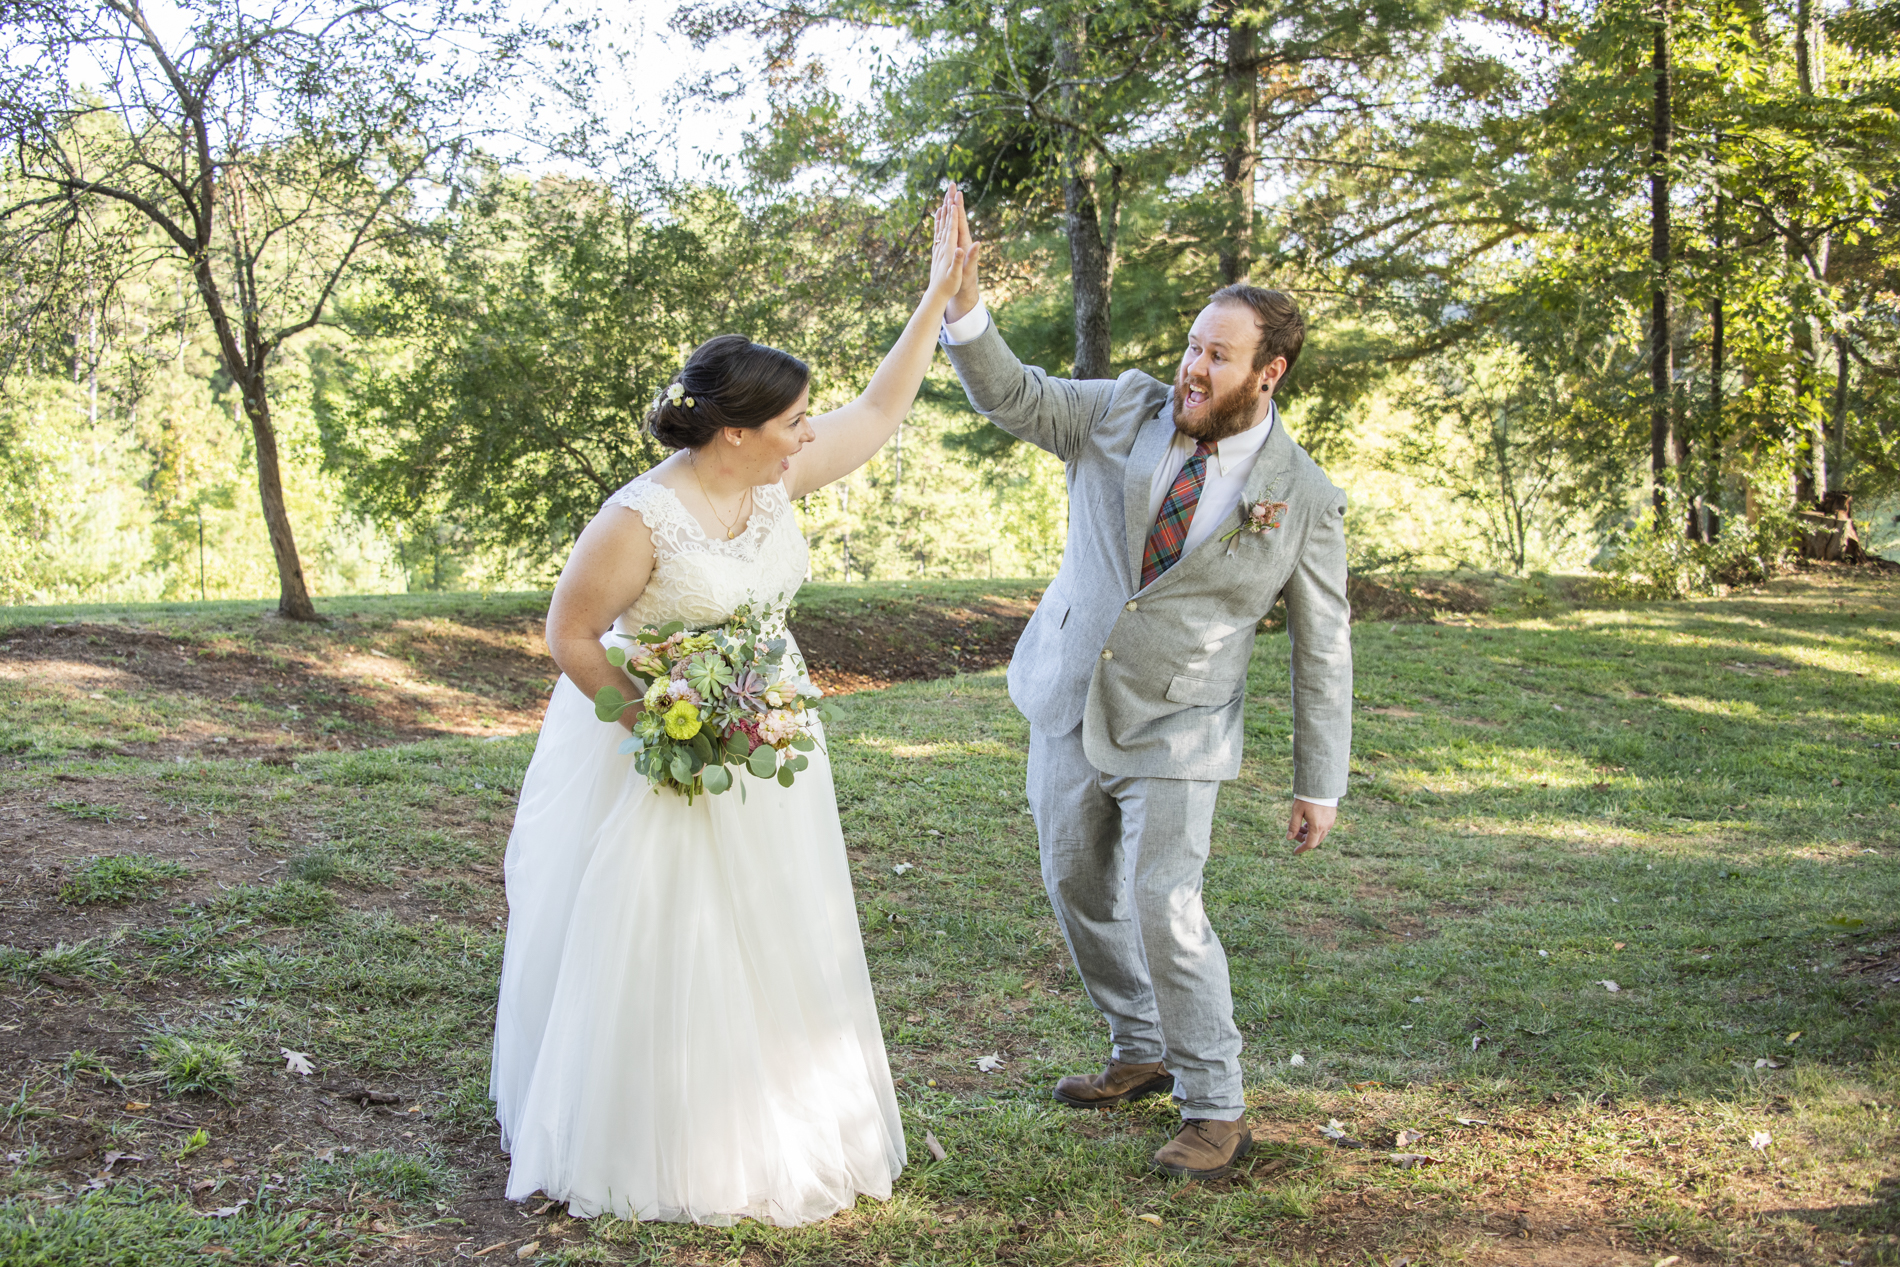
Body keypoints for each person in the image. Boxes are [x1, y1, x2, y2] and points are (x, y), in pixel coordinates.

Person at [488, 190, 974, 1226]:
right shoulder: (637, 519)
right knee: (671, 932)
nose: (810, 436)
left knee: (778, 923)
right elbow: (569, 636)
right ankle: (661, 1137)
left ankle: (780, 1106)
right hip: (664, 744)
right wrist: (665, 722)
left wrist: (937, 296)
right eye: (795, 422)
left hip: (773, 738)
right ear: (739, 432)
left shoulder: (777, 484)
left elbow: (884, 412)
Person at [936, 200, 1353, 1180]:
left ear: (1268, 373)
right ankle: (1140, 1044)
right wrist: (965, 312)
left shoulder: (1303, 497)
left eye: (1217, 357)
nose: (1191, 369)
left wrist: (1317, 781)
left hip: (1182, 722)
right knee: (1076, 882)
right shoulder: (1121, 407)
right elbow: (1017, 397)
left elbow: (1321, 647)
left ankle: (1216, 1108)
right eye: (1192, 346)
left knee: (1165, 902)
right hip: (1067, 692)